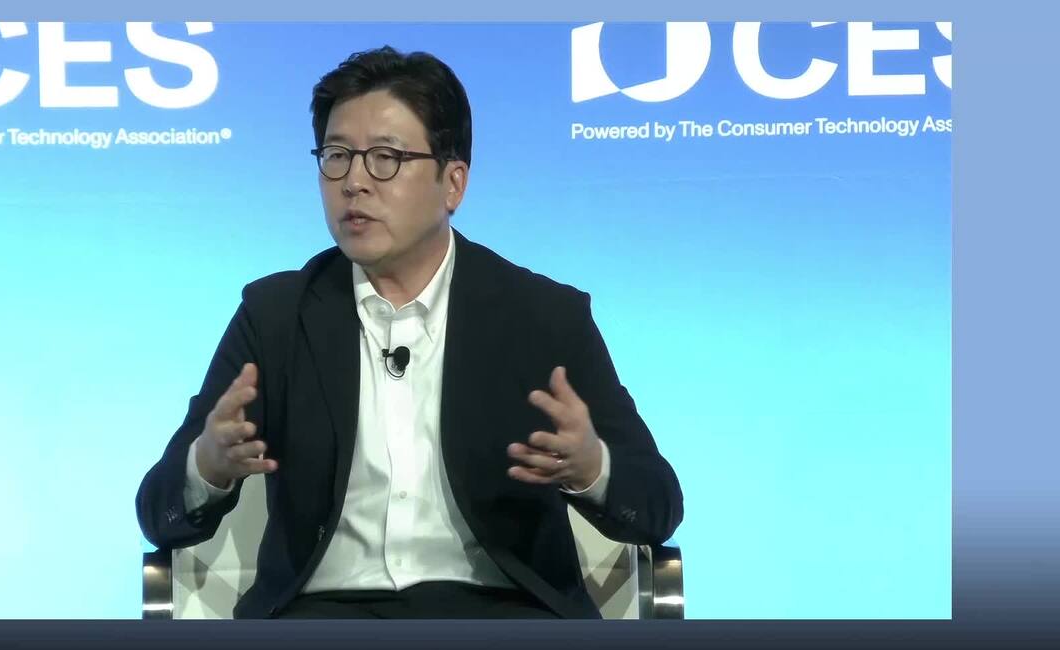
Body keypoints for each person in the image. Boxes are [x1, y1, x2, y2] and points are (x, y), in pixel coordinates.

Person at [135, 45, 682, 619]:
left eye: (386, 158)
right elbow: (158, 512)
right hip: (320, 621)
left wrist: (592, 468)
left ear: (453, 183)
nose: (354, 182)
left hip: (505, 616)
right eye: (337, 156)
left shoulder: (543, 316)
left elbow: (658, 506)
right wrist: (208, 467)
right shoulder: (275, 315)